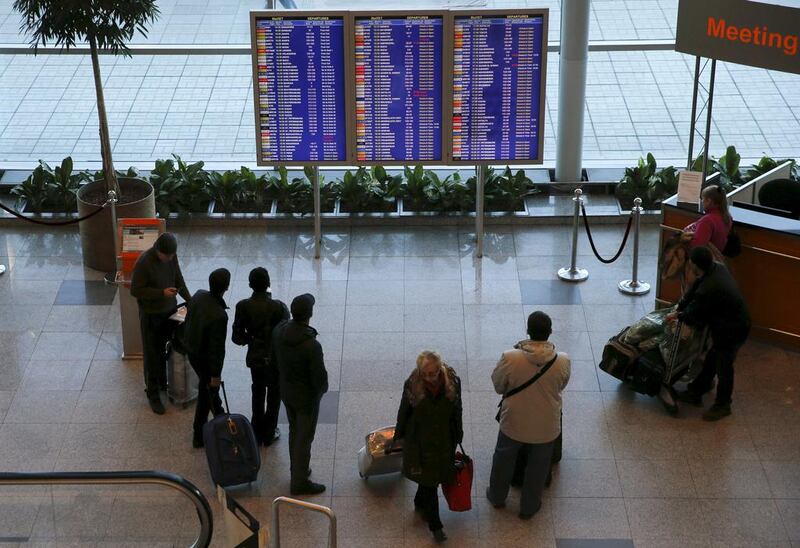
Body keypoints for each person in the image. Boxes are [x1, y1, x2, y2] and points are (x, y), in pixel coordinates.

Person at [486, 311, 570, 519]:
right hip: (546, 425)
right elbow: (562, 385)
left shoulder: (510, 357)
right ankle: (529, 507)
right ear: (550, 332)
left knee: (504, 459)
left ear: (527, 331)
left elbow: (498, 386)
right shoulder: (562, 361)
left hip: (514, 421)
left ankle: (497, 496)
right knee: (538, 466)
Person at [668, 246, 751, 421]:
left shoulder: (710, 287)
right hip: (735, 322)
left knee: (724, 365)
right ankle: (698, 389)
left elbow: (694, 313)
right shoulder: (716, 268)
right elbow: (694, 291)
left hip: (733, 329)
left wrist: (679, 315)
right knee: (714, 357)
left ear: (696, 266)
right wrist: (681, 306)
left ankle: (723, 405)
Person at [390, 351, 463, 544]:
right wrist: (399, 436)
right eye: (427, 374)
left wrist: (459, 433)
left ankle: (419, 502)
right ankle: (436, 526)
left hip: (444, 439)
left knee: (432, 478)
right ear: (420, 372)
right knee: (431, 482)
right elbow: (404, 411)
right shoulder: (412, 385)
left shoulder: (452, 382)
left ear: (440, 368)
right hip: (420, 441)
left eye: (435, 372)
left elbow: (457, 409)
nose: (431, 377)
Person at [271, 293, 328, 495]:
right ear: (309, 314)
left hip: (287, 392)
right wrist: (321, 391)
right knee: (304, 437)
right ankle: (299, 481)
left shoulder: (279, 332)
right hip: (306, 398)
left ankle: (298, 469)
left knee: (295, 432)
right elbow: (319, 377)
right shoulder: (311, 345)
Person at [130, 232, 191, 415]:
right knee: (152, 353)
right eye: (167, 256)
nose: (170, 259)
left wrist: (191, 300)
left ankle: (163, 381)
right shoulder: (144, 263)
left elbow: (178, 279)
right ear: (158, 250)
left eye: (172, 256)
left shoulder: (171, 256)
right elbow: (136, 290)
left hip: (169, 311)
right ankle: (153, 392)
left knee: (168, 348)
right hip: (151, 315)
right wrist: (161, 293)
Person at [232, 267, 289, 446]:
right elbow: (286, 333)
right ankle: (269, 431)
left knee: (257, 391)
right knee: (274, 394)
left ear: (250, 285)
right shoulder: (279, 307)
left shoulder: (242, 306)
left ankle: (256, 430)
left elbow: (236, 336)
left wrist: (251, 339)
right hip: (274, 359)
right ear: (269, 284)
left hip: (255, 356)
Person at [183, 268, 231, 448]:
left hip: (192, 349)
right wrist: (215, 375)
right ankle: (198, 434)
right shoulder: (219, 316)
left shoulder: (199, 295)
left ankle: (219, 413)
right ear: (226, 287)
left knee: (209, 390)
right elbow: (216, 350)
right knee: (207, 391)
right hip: (204, 359)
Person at [682, 185, 733, 251]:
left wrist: (684, 240)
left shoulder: (707, 221)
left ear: (708, 201)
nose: (702, 202)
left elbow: (697, 247)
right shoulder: (727, 217)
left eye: (703, 199)